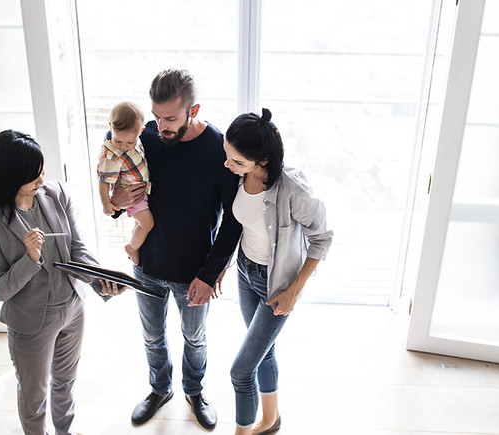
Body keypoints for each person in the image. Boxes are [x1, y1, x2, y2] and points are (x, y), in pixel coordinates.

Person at [109, 69, 242, 430]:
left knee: (194, 337)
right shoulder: (145, 137)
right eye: (155, 115)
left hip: (195, 271)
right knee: (152, 335)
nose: (160, 125)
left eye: (169, 118)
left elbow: (233, 220)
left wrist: (210, 272)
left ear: (193, 110)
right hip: (148, 264)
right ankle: (160, 388)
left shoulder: (219, 148)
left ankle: (194, 391)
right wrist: (117, 201)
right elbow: (120, 185)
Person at [0, 130, 125, 435]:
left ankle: (65, 432)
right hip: (31, 323)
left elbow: (77, 249)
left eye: (41, 170)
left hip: (72, 308)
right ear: (9, 176)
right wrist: (30, 258)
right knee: (33, 394)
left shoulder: (55, 194)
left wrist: (100, 278)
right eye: (33, 175)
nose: (41, 180)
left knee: (66, 382)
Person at [222, 109, 332, 435]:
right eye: (227, 156)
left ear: (263, 161)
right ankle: (270, 420)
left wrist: (294, 291)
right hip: (245, 272)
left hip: (276, 285)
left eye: (237, 162)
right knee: (263, 353)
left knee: (241, 371)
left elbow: (322, 239)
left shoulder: (292, 189)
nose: (229, 166)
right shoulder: (238, 175)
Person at [96, 101, 153, 265]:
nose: (123, 147)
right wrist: (107, 204)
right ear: (110, 127)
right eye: (118, 141)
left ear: (140, 132)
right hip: (132, 196)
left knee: (139, 223)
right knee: (147, 223)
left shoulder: (136, 139)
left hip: (141, 191)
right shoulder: (111, 154)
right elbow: (103, 181)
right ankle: (131, 248)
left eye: (129, 143)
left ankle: (135, 243)